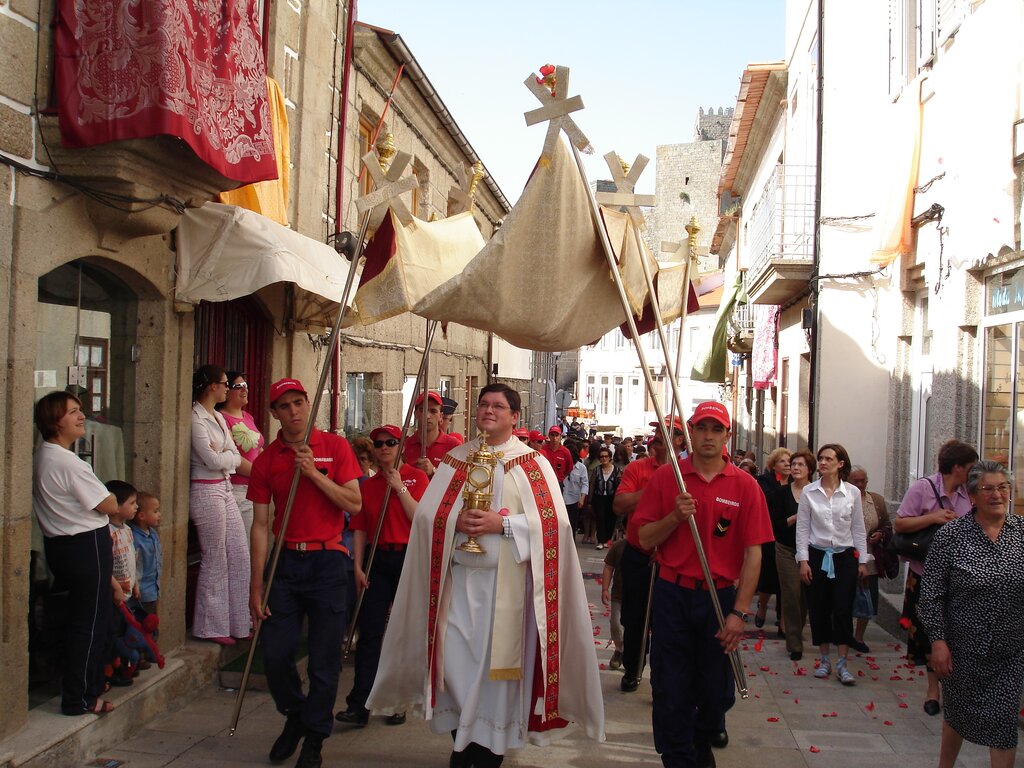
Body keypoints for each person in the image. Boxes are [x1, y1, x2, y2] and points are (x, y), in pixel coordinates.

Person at [366, 383, 604, 768]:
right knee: (456, 675)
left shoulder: (532, 463)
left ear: (514, 416)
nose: (488, 410)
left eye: (498, 405)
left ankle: (481, 755)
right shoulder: (456, 460)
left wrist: (502, 525)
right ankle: (463, 743)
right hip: (458, 590)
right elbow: (427, 517)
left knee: (495, 685)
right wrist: (454, 519)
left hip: (505, 596)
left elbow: (555, 526)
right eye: (483, 404)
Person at [633, 401, 772, 768]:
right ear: (690, 432)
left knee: (716, 694)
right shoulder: (669, 478)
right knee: (671, 687)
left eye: (716, 429)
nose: (708, 436)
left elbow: (754, 555)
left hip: (719, 597)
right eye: (701, 428)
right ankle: (678, 756)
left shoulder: (745, 486)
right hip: (672, 593)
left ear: (727, 436)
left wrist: (739, 613)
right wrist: (674, 518)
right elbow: (644, 538)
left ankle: (698, 741)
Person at [247, 378, 363, 768]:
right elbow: (260, 525)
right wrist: (256, 583)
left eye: (299, 403)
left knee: (324, 660)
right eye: (284, 405)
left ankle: (315, 737)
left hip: (328, 561)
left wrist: (314, 474)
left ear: (308, 404)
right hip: (284, 563)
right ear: (274, 413)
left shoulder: (334, 447)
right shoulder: (266, 460)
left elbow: (355, 503)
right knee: (276, 655)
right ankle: (295, 714)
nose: (294, 411)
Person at [918, 460, 1024, 768]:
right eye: (988, 489)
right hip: (963, 648)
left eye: (1003, 487)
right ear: (973, 496)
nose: (997, 495)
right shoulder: (951, 536)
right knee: (958, 713)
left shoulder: (1021, 533)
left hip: (1009, 650)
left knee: (1003, 725)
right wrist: (938, 641)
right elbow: (932, 593)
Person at [32, 391, 119, 715]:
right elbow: (108, 505)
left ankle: (84, 686)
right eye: (73, 412)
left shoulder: (44, 455)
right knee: (90, 623)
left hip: (61, 547)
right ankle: (81, 697)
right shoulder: (68, 462)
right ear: (55, 421)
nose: (81, 416)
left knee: (80, 620)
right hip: (84, 546)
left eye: (80, 410)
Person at [336, 425, 429, 727]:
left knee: (401, 634)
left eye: (391, 442)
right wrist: (358, 566)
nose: (385, 448)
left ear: (401, 446)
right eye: (379, 444)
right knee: (370, 633)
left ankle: (396, 703)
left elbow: (420, 518)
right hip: (377, 558)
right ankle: (360, 703)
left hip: (407, 558)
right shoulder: (368, 486)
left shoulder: (418, 477)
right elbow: (360, 528)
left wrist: (400, 486)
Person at [894, 439, 978, 716]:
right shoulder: (924, 487)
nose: (974, 472)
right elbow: (901, 523)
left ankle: (957, 689)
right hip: (926, 575)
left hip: (961, 577)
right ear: (957, 468)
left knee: (959, 635)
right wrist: (934, 517)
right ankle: (933, 691)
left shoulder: (970, 493)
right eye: (971, 467)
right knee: (931, 635)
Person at [612, 418, 687, 696]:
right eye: (657, 431)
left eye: (666, 432)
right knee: (634, 617)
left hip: (671, 557)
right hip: (638, 554)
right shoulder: (638, 468)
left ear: (680, 439)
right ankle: (632, 669)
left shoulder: (687, 471)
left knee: (667, 621)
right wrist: (652, 488)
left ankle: (662, 678)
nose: (657, 436)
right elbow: (619, 504)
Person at [795, 443, 868, 686]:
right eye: (821, 459)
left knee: (843, 608)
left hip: (844, 556)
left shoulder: (852, 493)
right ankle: (824, 658)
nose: (823, 463)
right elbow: (803, 527)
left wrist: (863, 560)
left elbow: (858, 527)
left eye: (828, 459)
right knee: (819, 606)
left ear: (840, 463)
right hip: (817, 555)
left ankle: (842, 662)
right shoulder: (809, 492)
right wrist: (803, 560)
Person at [189, 364, 249, 645]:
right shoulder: (196, 417)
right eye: (225, 383)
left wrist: (223, 454)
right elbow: (212, 460)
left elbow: (234, 456)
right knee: (215, 556)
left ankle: (238, 621)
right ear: (212, 386)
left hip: (223, 486)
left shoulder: (217, 417)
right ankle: (210, 625)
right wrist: (224, 456)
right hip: (205, 489)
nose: (228, 388)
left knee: (239, 552)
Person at [769, 450, 815, 661]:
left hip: (811, 550)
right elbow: (774, 525)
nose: (795, 467)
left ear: (810, 470)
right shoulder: (781, 493)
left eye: (800, 464)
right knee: (790, 593)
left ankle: (797, 631)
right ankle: (794, 643)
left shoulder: (816, 493)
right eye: (793, 464)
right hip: (786, 548)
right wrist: (795, 518)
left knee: (804, 596)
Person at [847, 466, 890, 653]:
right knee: (845, 597)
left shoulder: (877, 501)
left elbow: (887, 524)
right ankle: (844, 633)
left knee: (867, 597)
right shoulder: (843, 499)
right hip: (847, 556)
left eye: (862, 481)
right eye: (855, 481)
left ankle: (859, 637)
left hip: (870, 557)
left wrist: (880, 533)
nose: (859, 484)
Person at [217, 370, 264, 541]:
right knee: (242, 546)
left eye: (245, 385)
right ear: (226, 391)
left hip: (255, 489)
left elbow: (258, 448)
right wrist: (262, 474)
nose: (245, 389)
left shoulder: (248, 416)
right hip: (238, 492)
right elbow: (232, 457)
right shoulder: (221, 419)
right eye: (239, 386)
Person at [754, 448, 790, 631]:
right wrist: (783, 486)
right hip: (770, 535)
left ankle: (783, 620)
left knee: (785, 581)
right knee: (769, 580)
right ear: (774, 465)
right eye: (783, 461)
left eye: (789, 461)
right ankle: (762, 606)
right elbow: (767, 503)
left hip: (788, 537)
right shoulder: (765, 482)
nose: (787, 465)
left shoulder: (794, 482)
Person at [403, 390, 461, 478]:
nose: (427, 416)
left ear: (441, 416)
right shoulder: (404, 445)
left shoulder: (454, 446)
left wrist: (434, 471)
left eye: (433, 411)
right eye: (422, 410)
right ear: (415, 414)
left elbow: (459, 480)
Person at [131, 491, 162, 617]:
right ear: (142, 516)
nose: (159, 514)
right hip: (141, 592)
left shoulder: (153, 533)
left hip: (153, 589)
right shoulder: (134, 538)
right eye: (155, 511)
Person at [589, 444, 622, 550]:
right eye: (601, 457)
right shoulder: (596, 470)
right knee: (600, 518)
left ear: (610, 457)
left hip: (611, 498)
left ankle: (608, 540)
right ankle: (601, 541)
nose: (603, 458)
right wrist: (589, 501)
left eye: (606, 456)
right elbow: (592, 485)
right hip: (599, 498)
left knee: (611, 519)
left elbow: (620, 485)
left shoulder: (616, 470)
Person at [601, 538, 626, 670]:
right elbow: (609, 567)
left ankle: (629, 654)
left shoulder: (649, 545)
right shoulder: (619, 546)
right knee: (616, 624)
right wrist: (605, 589)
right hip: (618, 595)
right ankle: (619, 649)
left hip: (638, 596)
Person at [561, 441, 589, 536]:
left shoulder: (581, 468)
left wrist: (582, 498)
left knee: (572, 524)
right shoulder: (561, 465)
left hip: (574, 499)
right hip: (561, 499)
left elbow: (585, 484)